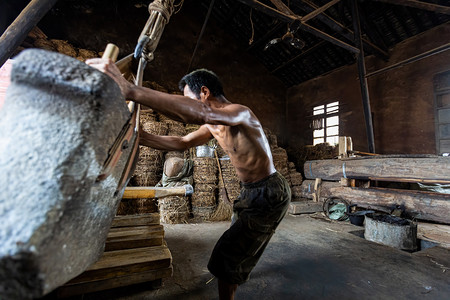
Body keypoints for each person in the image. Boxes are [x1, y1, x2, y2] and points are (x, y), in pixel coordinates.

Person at [86, 58, 291, 300]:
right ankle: (238, 267)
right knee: (239, 244)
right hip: (249, 192)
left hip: (268, 192)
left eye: (187, 98)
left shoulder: (240, 113)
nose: (185, 103)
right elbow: (182, 142)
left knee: (224, 258)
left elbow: (197, 113)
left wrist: (130, 90)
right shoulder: (214, 124)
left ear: (204, 92)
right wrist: (138, 136)